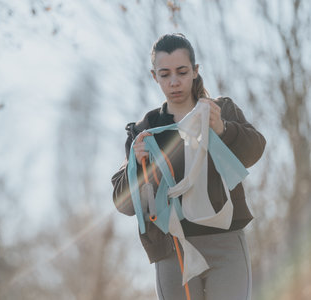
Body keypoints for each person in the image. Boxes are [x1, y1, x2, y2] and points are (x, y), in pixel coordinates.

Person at [111, 33, 266, 300]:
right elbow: (124, 204)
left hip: (227, 243)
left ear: (195, 71)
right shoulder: (145, 131)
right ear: (154, 76)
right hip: (173, 250)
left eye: (182, 72)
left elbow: (255, 151)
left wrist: (223, 129)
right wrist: (136, 165)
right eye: (165, 74)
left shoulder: (221, 110)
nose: (174, 82)